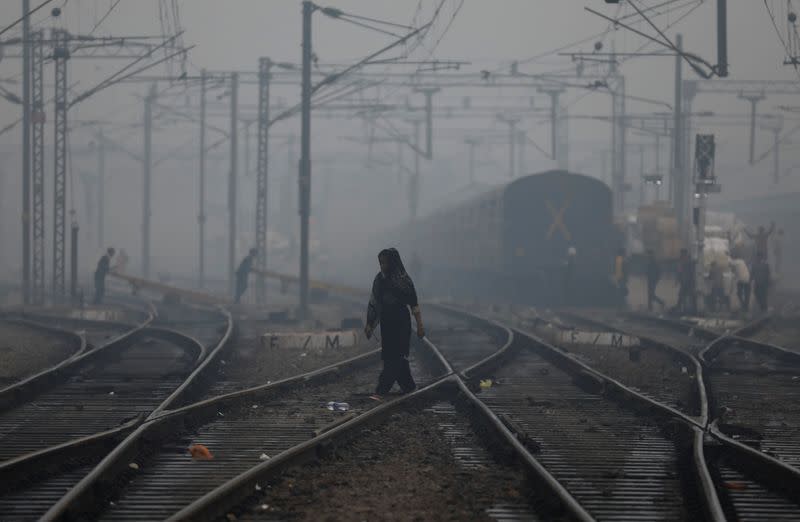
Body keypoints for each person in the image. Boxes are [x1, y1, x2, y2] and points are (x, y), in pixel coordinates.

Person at [365, 248, 425, 397]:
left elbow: (414, 305)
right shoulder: (379, 280)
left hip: (401, 323)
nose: (382, 266)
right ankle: (409, 386)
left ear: (392, 262)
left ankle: (381, 390)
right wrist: (370, 324)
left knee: (396, 357)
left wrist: (420, 326)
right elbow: (375, 303)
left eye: (384, 262)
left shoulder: (404, 280)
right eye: (380, 263)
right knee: (390, 355)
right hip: (387, 323)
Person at [676, 248, 694, 314]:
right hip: (685, 281)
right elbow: (679, 271)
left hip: (686, 281)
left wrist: (678, 280)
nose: (681, 255)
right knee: (684, 294)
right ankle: (682, 307)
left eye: (682, 253)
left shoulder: (686, 261)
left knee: (684, 294)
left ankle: (681, 308)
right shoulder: (686, 260)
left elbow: (680, 271)